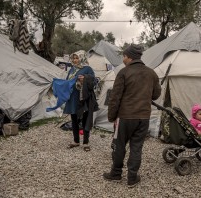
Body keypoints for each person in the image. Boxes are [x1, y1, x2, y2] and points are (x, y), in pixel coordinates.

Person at [103, 44, 161, 188]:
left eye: (124, 56)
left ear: (129, 57)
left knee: (119, 145)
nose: (123, 58)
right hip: (143, 117)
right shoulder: (151, 73)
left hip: (125, 117)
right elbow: (156, 94)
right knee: (136, 147)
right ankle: (132, 178)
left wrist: (111, 117)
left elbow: (115, 98)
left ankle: (116, 174)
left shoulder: (123, 73)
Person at [64, 51, 98, 152]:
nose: (75, 60)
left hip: (83, 99)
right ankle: (76, 141)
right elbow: (68, 82)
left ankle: (86, 142)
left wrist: (85, 79)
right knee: (74, 119)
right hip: (73, 99)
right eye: (73, 58)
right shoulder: (72, 70)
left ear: (81, 58)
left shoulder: (87, 68)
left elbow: (95, 82)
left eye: (77, 58)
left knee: (85, 119)